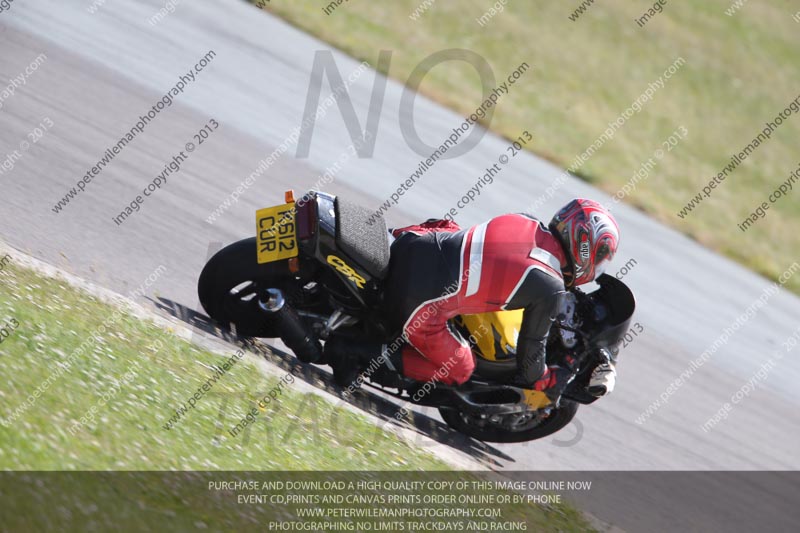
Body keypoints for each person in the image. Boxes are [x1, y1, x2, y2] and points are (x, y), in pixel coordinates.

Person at [326, 199, 620, 399]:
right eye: (602, 257)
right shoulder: (550, 286)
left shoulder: (525, 221)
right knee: (461, 366)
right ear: (586, 249)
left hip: (413, 245)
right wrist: (547, 380)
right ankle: (352, 353)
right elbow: (531, 355)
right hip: (417, 303)